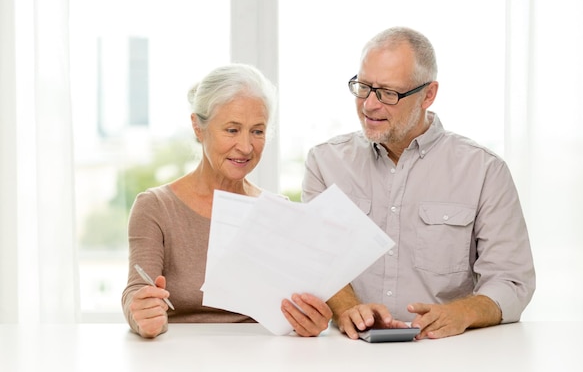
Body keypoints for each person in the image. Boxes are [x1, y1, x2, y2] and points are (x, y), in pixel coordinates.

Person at [303, 27, 536, 340]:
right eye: (363, 87)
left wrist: (462, 313)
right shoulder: (324, 163)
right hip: (350, 351)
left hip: (446, 351)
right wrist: (348, 308)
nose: (370, 105)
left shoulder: (484, 171)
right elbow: (317, 255)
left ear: (428, 94)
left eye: (388, 93)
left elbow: (511, 281)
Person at [122, 63, 332, 339]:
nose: (246, 147)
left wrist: (311, 320)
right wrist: (142, 313)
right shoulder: (156, 207)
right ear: (198, 127)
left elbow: (295, 311)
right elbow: (136, 290)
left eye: (257, 131)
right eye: (232, 130)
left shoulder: (277, 211)